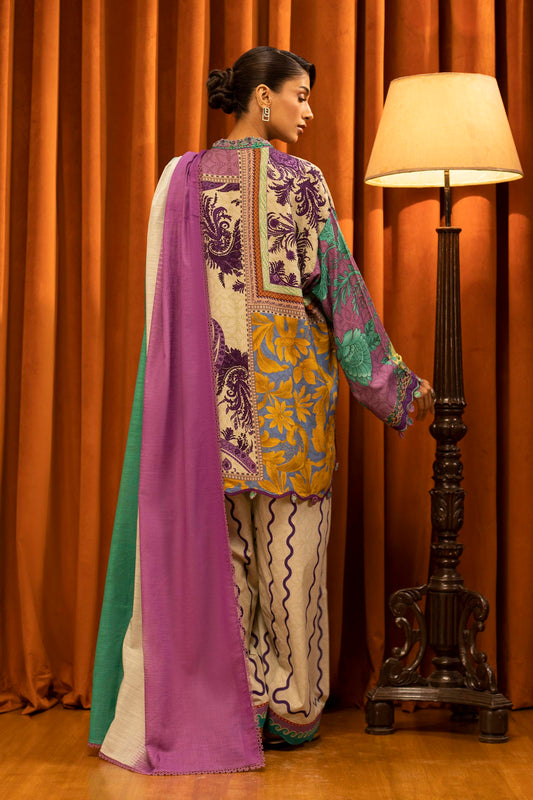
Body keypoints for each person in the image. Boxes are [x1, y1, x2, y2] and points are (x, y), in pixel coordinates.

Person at [89, 46, 434, 776]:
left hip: (208, 410)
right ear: (261, 97)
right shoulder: (302, 182)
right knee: (292, 566)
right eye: (299, 95)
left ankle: (236, 706)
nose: (308, 111)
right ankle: (292, 711)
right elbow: (341, 292)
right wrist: (395, 386)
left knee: (229, 566)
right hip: (289, 408)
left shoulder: (181, 181)